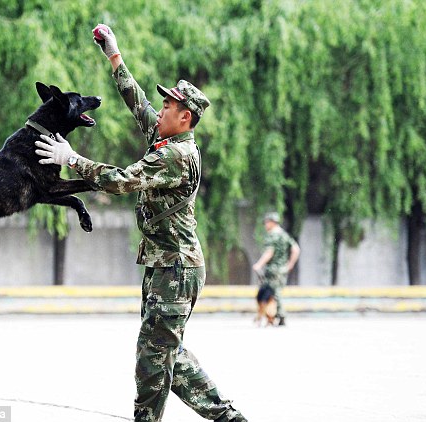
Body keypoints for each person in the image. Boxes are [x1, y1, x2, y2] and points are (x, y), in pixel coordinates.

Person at [34, 24, 247, 422]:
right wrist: (114, 55)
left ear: (185, 118)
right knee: (168, 354)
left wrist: (72, 159)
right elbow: (138, 102)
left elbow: (123, 180)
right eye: (164, 103)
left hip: (176, 268)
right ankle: (229, 418)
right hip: (165, 264)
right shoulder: (167, 138)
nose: (161, 108)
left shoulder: (175, 156)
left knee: (152, 360)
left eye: (169, 106)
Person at [252, 211, 301, 326]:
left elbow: (269, 252)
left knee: (273, 293)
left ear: (272, 222)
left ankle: (280, 316)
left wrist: (259, 264)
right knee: (275, 292)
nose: (265, 225)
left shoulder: (273, 235)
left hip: (273, 270)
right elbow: (296, 249)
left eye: (266, 222)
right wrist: (289, 264)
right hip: (282, 269)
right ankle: (277, 316)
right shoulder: (284, 235)